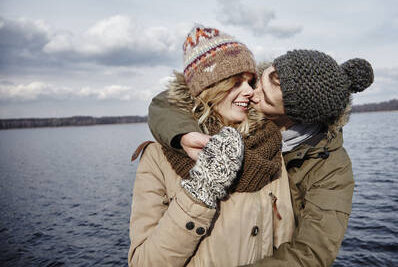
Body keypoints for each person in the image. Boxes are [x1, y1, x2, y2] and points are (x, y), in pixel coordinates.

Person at [149, 48, 374, 266]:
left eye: (264, 97)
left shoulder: (331, 167)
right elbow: (171, 99)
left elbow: (312, 253)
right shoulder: (247, 101)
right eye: (259, 81)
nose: (250, 93)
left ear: (294, 116)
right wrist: (183, 134)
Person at [128, 26, 295, 266]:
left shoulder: (269, 142)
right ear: (208, 89)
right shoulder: (158, 157)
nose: (249, 91)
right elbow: (143, 262)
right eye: (236, 82)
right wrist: (200, 192)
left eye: (250, 81)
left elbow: (284, 240)